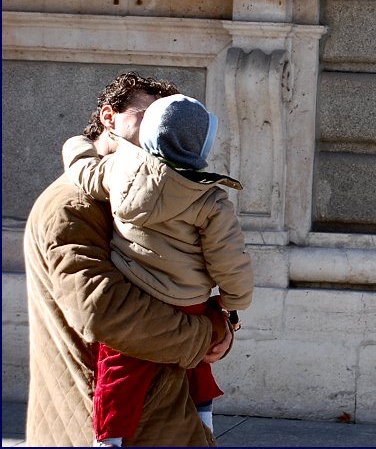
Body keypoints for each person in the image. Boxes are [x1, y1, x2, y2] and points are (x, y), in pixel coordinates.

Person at [23, 72, 234, 447]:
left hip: (158, 416)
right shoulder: (74, 204)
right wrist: (208, 333)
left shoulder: (150, 196)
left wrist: (226, 321)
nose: (159, 131)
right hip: (114, 424)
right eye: (148, 116)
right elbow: (104, 310)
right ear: (109, 117)